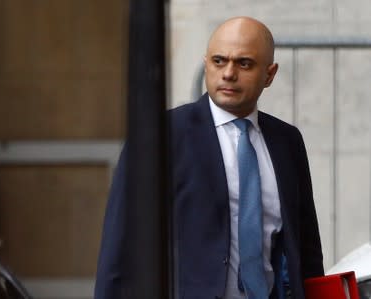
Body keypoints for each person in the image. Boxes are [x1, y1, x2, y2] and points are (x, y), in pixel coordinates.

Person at [95, 16, 324, 299]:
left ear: (270, 74)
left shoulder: (286, 141)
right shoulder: (161, 137)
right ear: (206, 64)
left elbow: (307, 252)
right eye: (219, 61)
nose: (228, 73)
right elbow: (119, 249)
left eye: (244, 63)